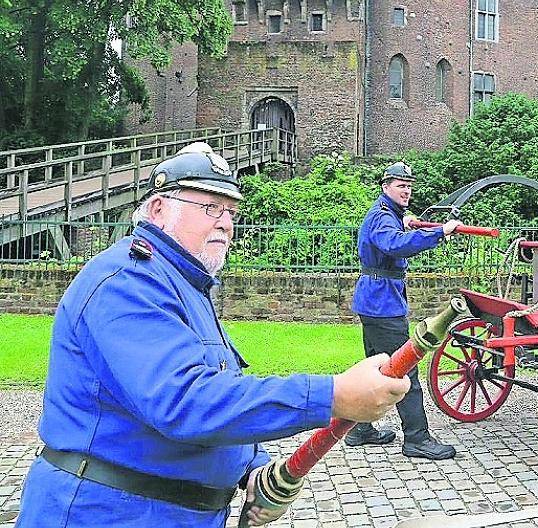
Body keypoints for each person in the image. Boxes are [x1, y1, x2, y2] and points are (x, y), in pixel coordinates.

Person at [16, 143, 411, 527]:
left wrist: (253, 470)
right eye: (210, 208)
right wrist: (332, 395)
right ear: (158, 209)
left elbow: (218, 387)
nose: (225, 222)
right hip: (107, 512)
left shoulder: (185, 282)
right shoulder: (128, 282)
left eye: (231, 212)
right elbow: (185, 400)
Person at [347, 161, 462, 460]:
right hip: (383, 304)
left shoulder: (387, 214)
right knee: (404, 370)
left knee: (377, 365)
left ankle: (361, 429)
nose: (406, 190)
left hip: (374, 300)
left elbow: (393, 233)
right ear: (386, 187)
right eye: (400, 185)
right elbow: (394, 245)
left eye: (409, 186)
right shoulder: (383, 217)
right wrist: (440, 232)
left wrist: (405, 221)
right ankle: (417, 439)